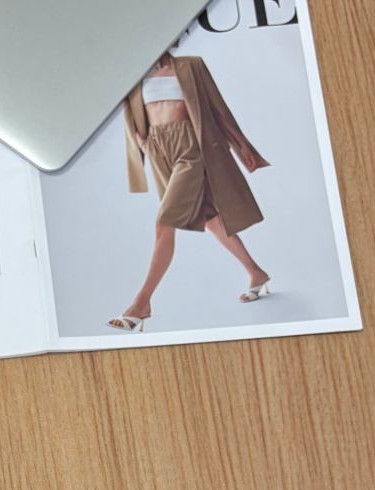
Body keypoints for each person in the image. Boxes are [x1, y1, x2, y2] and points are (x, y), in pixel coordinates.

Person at [109, 47, 270, 331]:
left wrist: (241, 144)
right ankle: (256, 272)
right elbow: (130, 115)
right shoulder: (135, 73)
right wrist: (143, 144)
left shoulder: (191, 65)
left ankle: (141, 303)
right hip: (159, 150)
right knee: (210, 219)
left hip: (191, 148)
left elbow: (218, 108)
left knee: (164, 223)